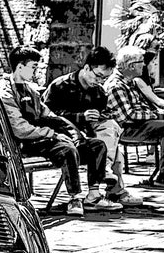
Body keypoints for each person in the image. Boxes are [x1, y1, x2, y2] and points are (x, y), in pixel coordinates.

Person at [0, 45, 116, 217]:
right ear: (20, 67)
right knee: (67, 150)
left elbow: (50, 115)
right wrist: (52, 134)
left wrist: (74, 135)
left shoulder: (30, 90)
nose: (36, 72)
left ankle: (94, 195)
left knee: (96, 145)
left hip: (42, 138)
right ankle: (75, 197)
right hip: (25, 143)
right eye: (34, 67)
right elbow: (20, 129)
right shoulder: (6, 92)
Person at [45, 46, 134, 205]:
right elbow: (47, 116)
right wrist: (80, 117)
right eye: (98, 76)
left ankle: (106, 188)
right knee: (110, 145)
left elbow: (102, 116)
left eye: (104, 79)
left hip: (89, 136)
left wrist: (104, 115)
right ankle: (112, 189)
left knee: (112, 131)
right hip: (62, 135)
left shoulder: (99, 92)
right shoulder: (60, 86)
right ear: (86, 68)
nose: (100, 82)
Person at [104, 44, 164, 183]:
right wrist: (154, 115)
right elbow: (128, 116)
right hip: (127, 129)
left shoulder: (129, 82)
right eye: (141, 62)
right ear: (131, 66)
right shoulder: (116, 85)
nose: (144, 65)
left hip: (139, 124)